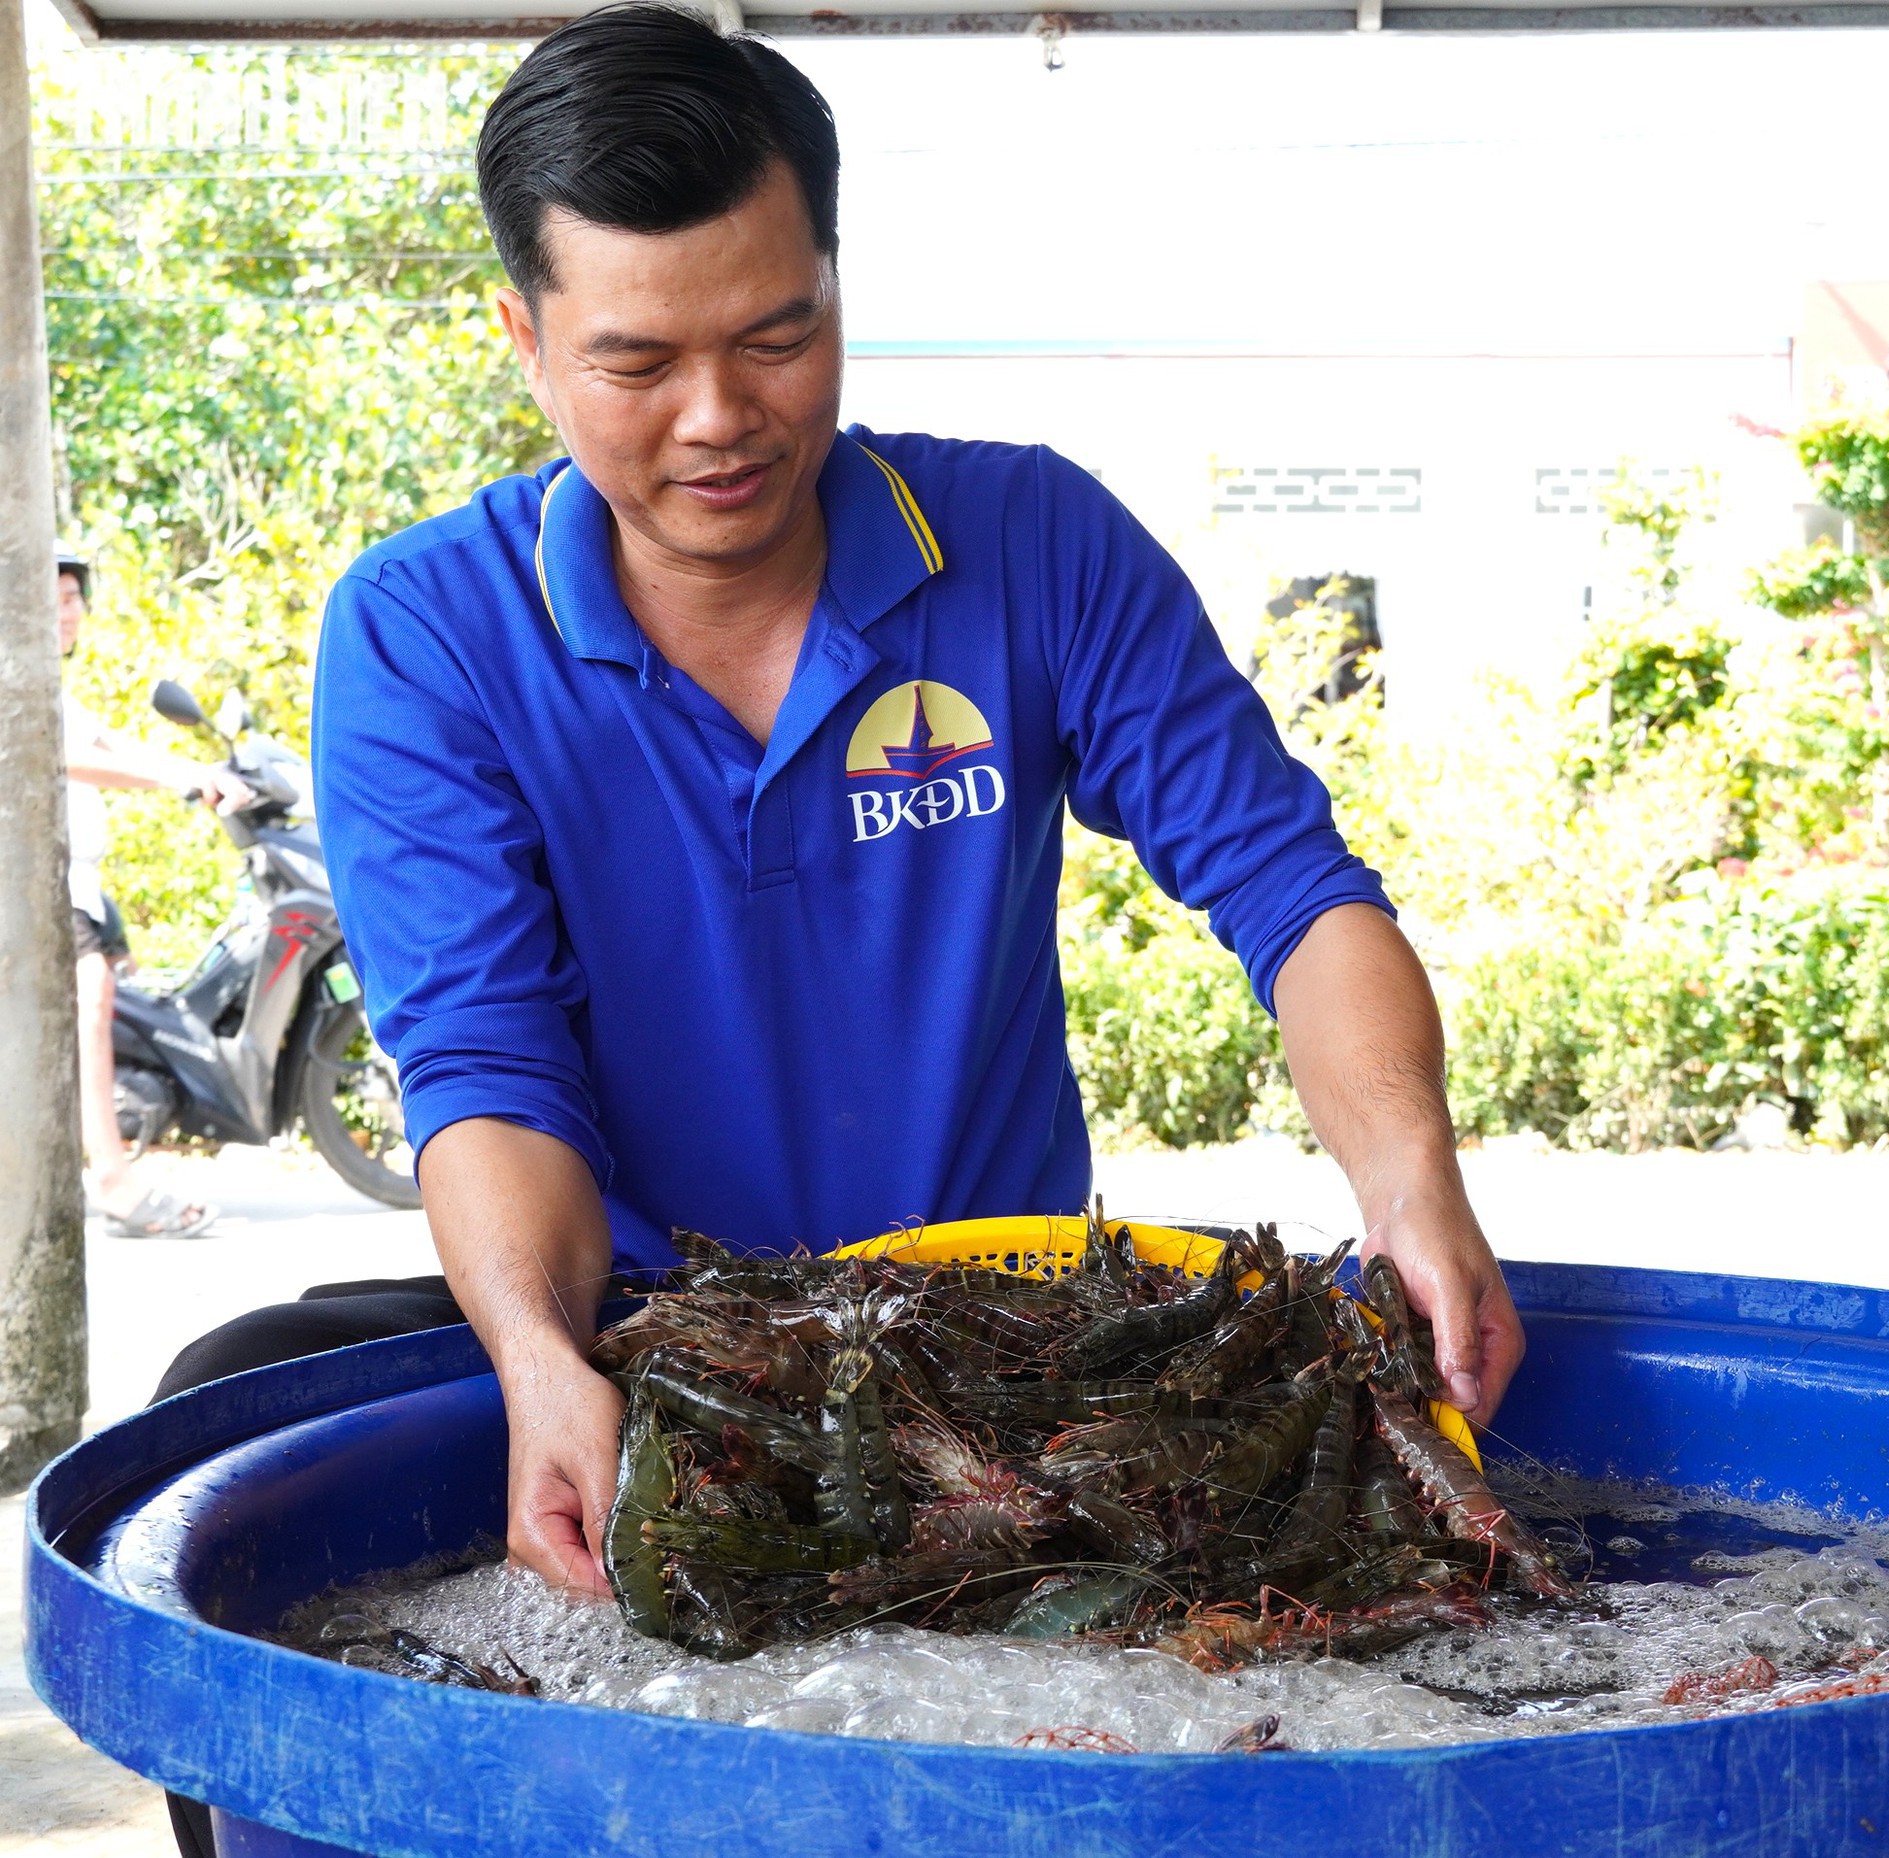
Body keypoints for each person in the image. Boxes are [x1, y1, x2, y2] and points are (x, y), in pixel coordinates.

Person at [163, 0, 1518, 1680]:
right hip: (643, 1327)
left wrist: (1411, 1181)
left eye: (778, 334)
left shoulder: (1032, 542)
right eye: (638, 363)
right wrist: (534, 1352)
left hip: (998, 1341)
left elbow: (1293, 892)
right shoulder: (425, 630)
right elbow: (483, 1059)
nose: (721, 415)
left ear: (836, 285)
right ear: (524, 339)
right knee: (208, 1404)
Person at [56, 550, 253, 1239]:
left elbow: (112, 745)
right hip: (40, 881)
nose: (65, 610)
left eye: (73, 596)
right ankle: (111, 1176)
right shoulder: (16, 684)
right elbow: (62, 760)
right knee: (91, 1000)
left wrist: (194, 771)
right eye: (50, 598)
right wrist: (175, 782)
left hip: (79, 881)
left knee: (113, 990)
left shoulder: (56, 693)